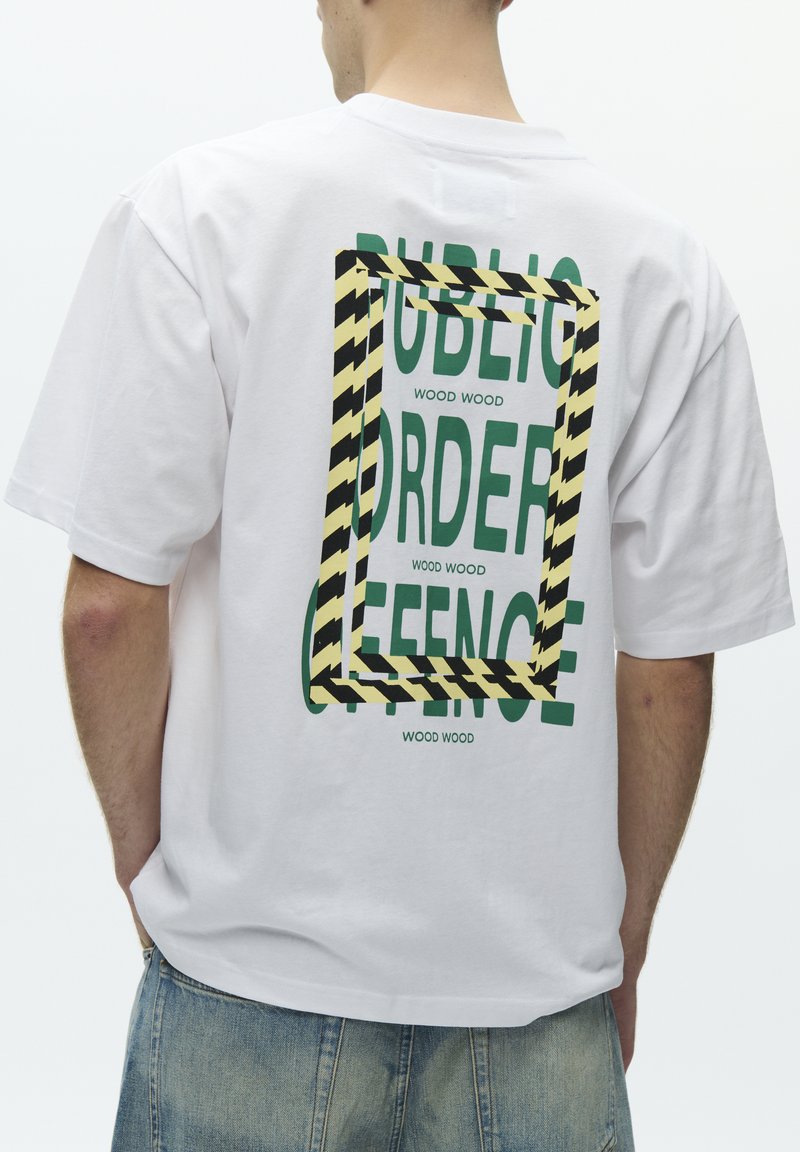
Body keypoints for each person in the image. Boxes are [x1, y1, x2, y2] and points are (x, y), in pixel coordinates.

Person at [4, 0, 794, 1148]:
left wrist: (145, 871)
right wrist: (617, 948)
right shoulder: (662, 271)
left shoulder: (201, 213)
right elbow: (668, 667)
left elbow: (107, 610)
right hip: (539, 1012)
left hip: (246, 987)